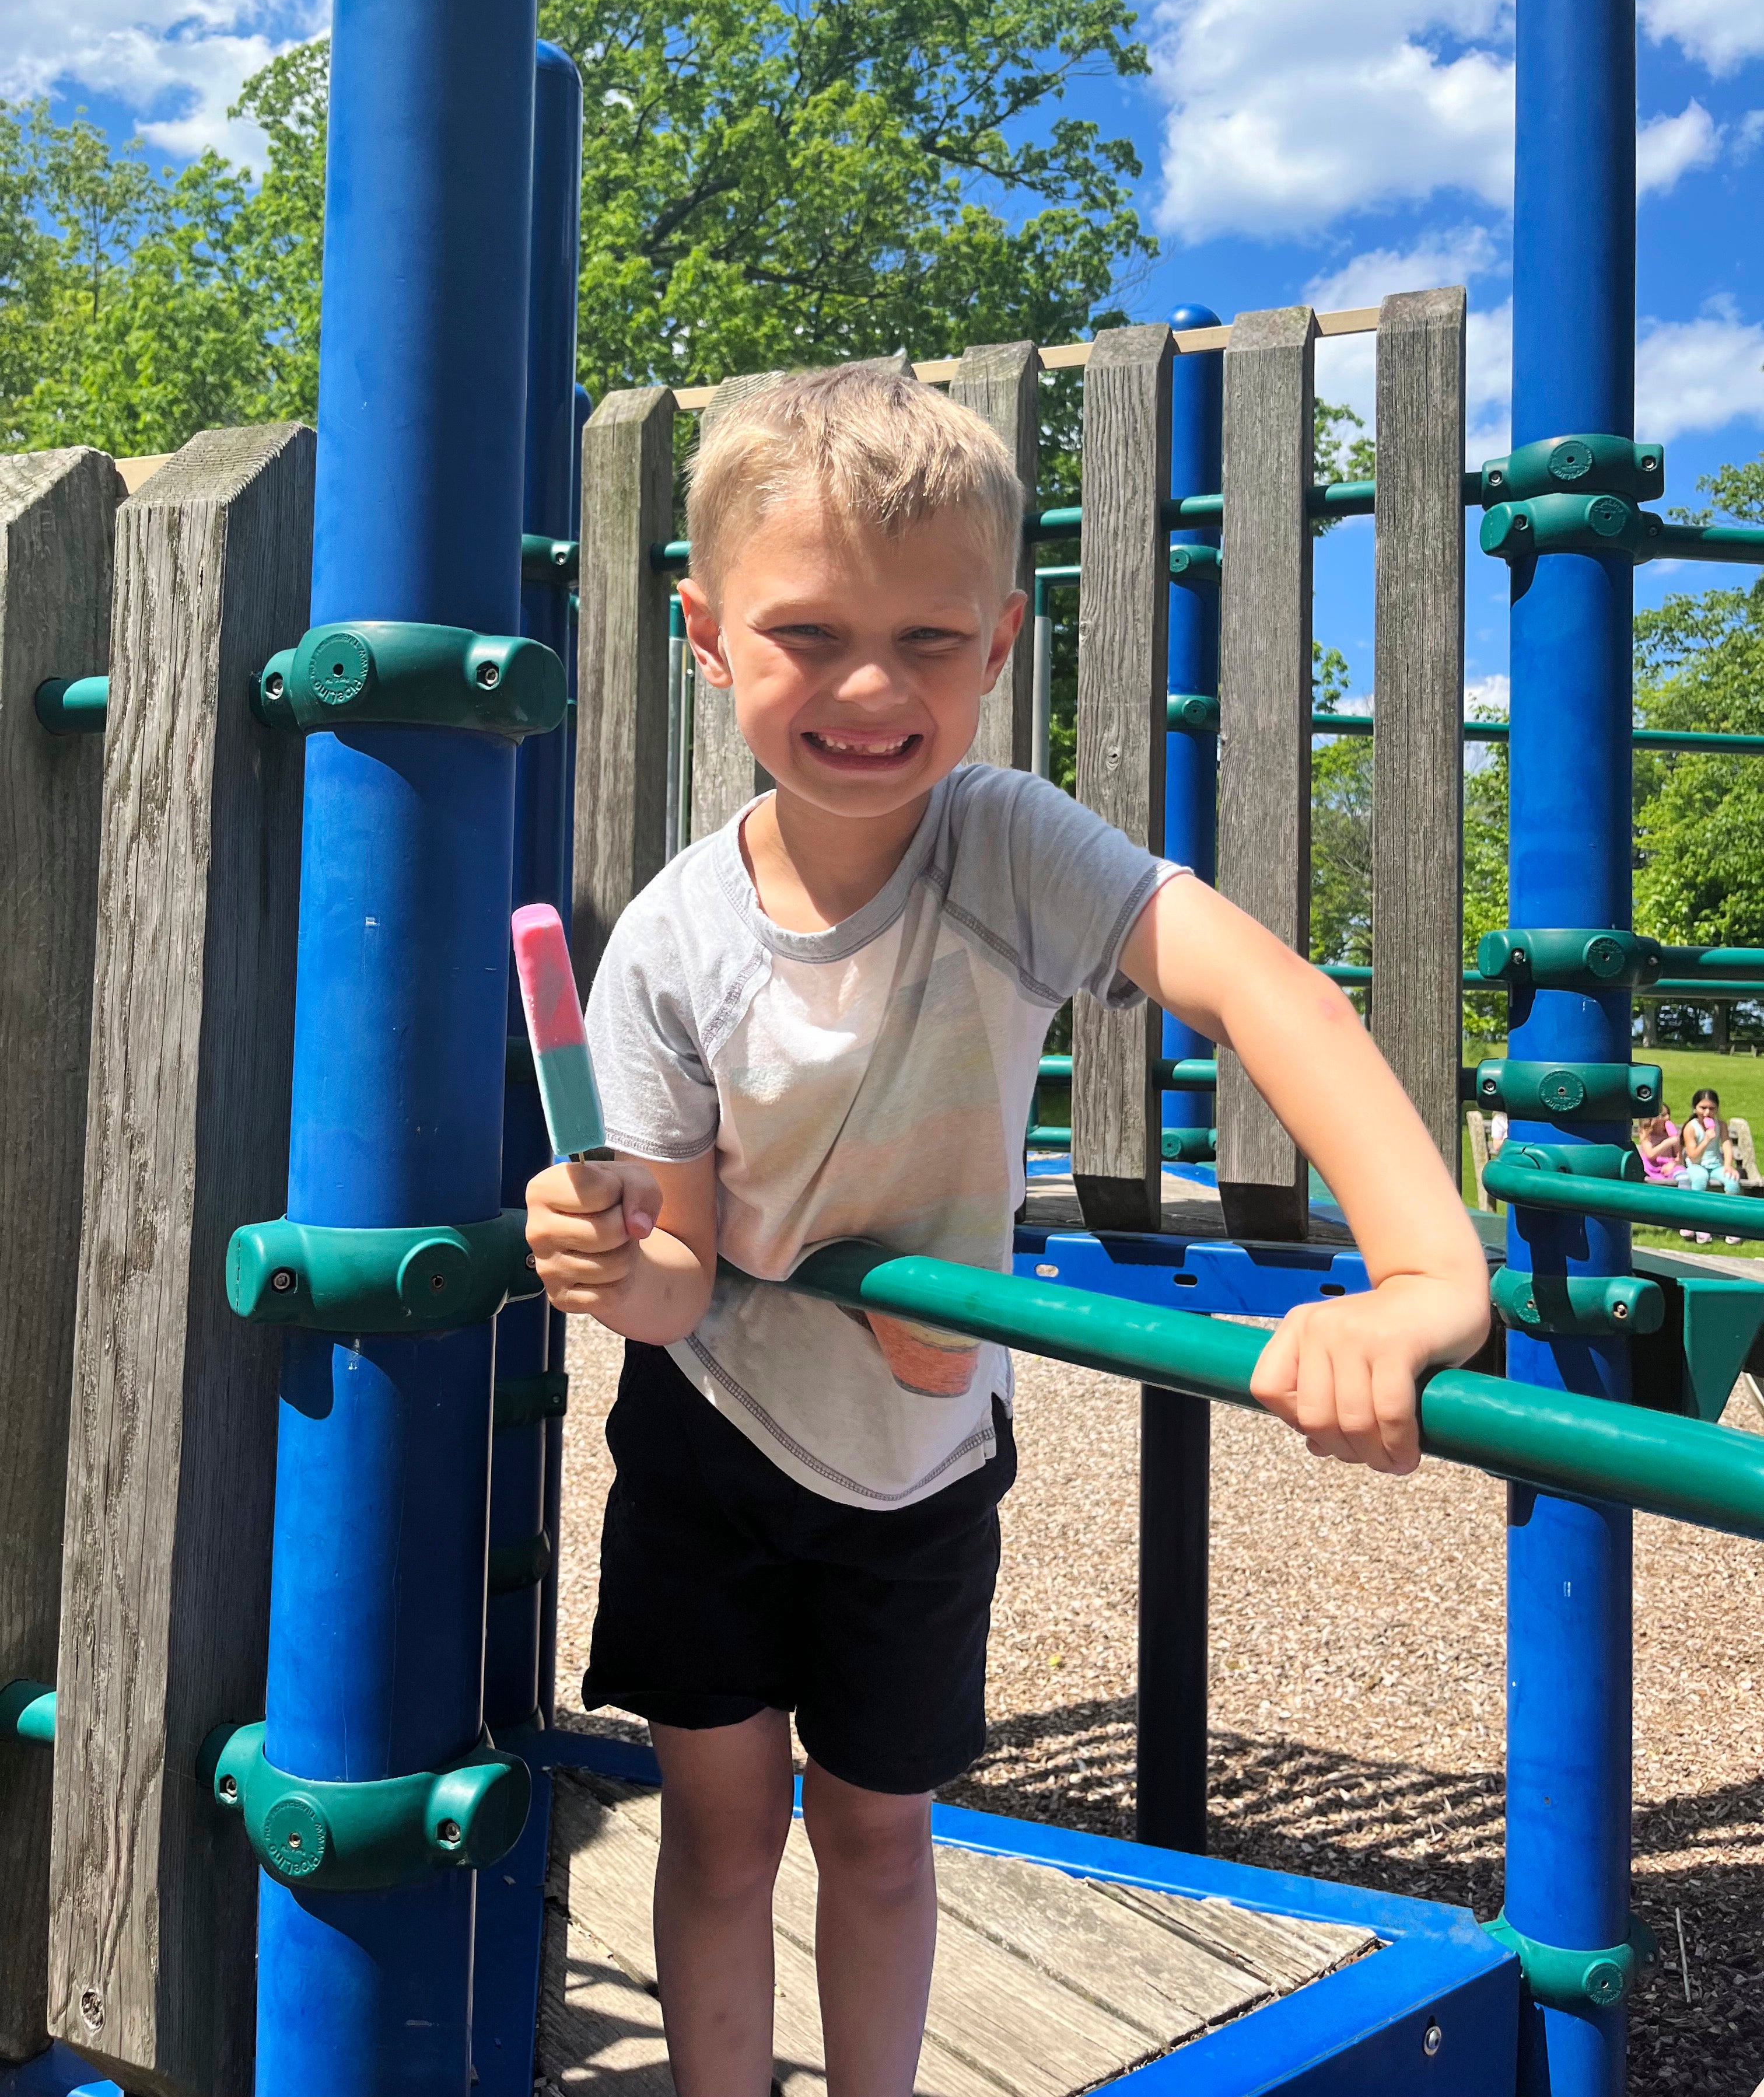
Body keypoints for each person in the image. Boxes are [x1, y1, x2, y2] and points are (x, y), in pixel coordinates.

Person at [524, 365, 1491, 2097]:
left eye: (929, 640)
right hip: (716, 1439)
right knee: (722, 1836)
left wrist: (1423, 1278)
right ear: (705, 632)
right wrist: (613, 1258)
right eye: (808, 635)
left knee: (885, 1841)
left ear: (998, 648)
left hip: (920, 1454)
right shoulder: (670, 942)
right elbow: (671, 1281)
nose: (872, 687)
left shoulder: (1002, 847)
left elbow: (1267, 992)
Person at [1676, 1084, 1742, 1243]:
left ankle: (1730, 1226)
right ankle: (1699, 1225)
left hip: (1716, 1165)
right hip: (1696, 1165)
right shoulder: (1691, 1128)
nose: (1707, 1113)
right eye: (1703, 1108)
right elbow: (1693, 1156)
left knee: (1733, 1183)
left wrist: (1728, 1165)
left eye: (1712, 1108)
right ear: (1695, 1108)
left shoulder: (1721, 1125)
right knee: (1700, 1179)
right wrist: (1706, 1139)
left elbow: (1726, 1144)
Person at [1636, 1103, 1683, 1184]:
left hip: (1669, 1166)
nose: (1667, 1118)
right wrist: (1668, 1142)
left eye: (1668, 1114)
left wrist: (1674, 1164)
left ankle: (1684, 1195)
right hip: (1650, 1169)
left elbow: (1679, 1157)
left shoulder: (1671, 1135)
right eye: (1663, 1115)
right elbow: (1651, 1155)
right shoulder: (1646, 1135)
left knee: (1683, 1176)